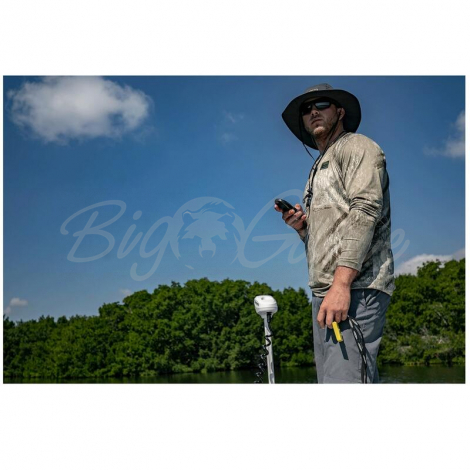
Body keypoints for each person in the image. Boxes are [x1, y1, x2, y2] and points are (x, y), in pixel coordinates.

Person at [276, 83, 395, 383]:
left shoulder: (357, 147)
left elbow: (366, 210)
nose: (313, 111)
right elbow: (330, 235)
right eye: (306, 109)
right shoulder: (316, 169)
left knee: (348, 382)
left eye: (322, 104)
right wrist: (303, 229)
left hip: (356, 288)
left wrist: (341, 284)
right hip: (325, 294)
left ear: (340, 111)